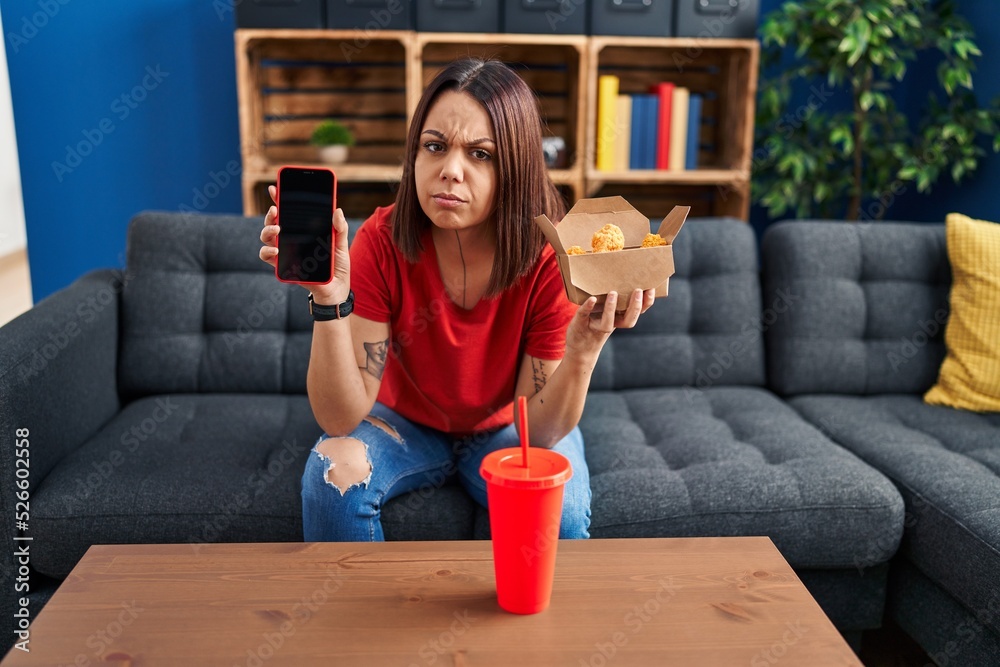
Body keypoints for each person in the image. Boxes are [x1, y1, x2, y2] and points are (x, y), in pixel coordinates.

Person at [258, 58, 656, 542]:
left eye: (481, 154)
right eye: (435, 146)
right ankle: (352, 620)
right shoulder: (381, 239)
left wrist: (585, 348)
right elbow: (340, 419)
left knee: (558, 510)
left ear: (517, 166)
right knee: (331, 474)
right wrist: (329, 300)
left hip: (509, 426)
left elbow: (541, 430)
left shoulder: (551, 255)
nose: (450, 170)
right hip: (403, 424)